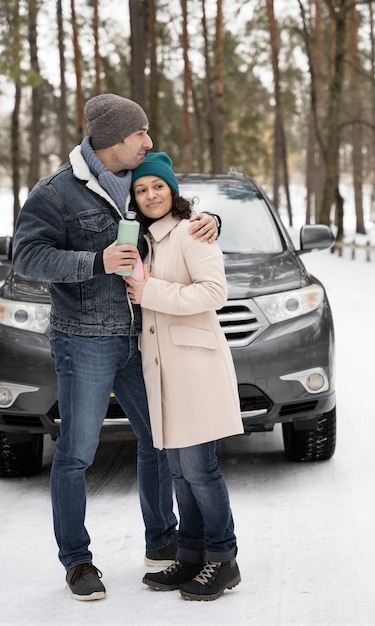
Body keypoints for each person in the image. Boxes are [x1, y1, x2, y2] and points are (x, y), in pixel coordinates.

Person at [12, 94, 219, 602]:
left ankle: (162, 543)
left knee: (160, 441)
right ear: (113, 140)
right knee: (78, 454)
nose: (149, 142)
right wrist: (93, 262)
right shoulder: (57, 193)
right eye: (141, 134)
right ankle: (78, 562)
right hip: (84, 340)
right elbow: (27, 258)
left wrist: (212, 220)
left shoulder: (137, 182)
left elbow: (172, 215)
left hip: (143, 337)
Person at [124, 152, 243, 602]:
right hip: (161, 369)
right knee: (177, 469)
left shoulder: (193, 230)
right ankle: (192, 553)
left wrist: (151, 290)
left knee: (199, 468)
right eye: (141, 189)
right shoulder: (144, 241)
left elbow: (215, 292)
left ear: (172, 190)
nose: (151, 195)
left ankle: (223, 557)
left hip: (195, 365)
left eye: (158, 186)